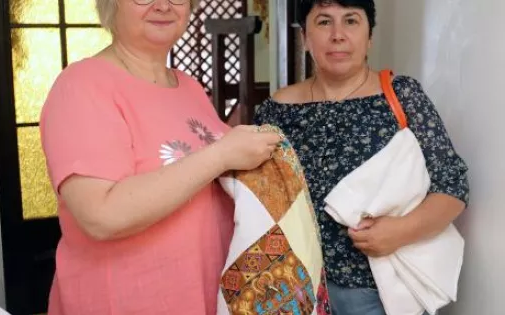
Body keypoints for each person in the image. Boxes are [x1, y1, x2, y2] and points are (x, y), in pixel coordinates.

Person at [39, 0, 282, 314]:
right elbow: (102, 215)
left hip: (202, 293)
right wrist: (221, 155)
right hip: (127, 301)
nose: (163, 5)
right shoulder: (81, 86)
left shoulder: (190, 88)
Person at [253, 0, 469, 314]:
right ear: (305, 38)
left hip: (374, 292)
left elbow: (453, 185)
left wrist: (401, 230)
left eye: (351, 21)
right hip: (291, 286)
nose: (338, 34)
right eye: (324, 22)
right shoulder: (277, 109)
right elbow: (255, 195)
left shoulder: (401, 95)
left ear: (369, 36)